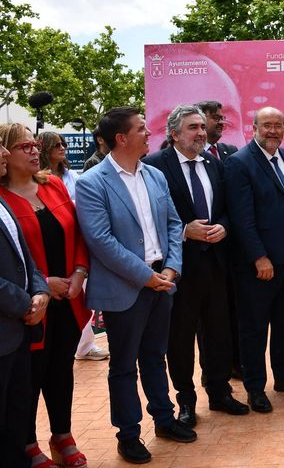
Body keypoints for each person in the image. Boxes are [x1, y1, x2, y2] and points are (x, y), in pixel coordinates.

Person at [76, 106, 193, 464]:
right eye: (141, 128)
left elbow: (174, 224)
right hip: (127, 287)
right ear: (121, 138)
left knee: (156, 357)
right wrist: (145, 276)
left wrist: (171, 268)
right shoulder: (92, 182)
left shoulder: (154, 175)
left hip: (162, 281)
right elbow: (100, 240)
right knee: (124, 366)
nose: (149, 133)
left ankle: (164, 419)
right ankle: (128, 434)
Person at [142, 105, 249, 427]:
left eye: (203, 127)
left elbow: (229, 209)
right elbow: (149, 217)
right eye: (193, 127)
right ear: (174, 133)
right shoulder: (153, 167)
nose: (201, 133)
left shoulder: (216, 165)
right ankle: (185, 401)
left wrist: (225, 228)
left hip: (217, 266)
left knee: (218, 333)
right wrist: (182, 230)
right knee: (180, 338)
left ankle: (219, 393)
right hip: (178, 268)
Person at [1, 125, 85, 468]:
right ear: (7, 152)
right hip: (32, 306)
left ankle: (62, 434)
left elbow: (79, 233)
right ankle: (28, 442)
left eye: (37, 145)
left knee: (61, 371)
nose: (36, 151)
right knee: (30, 376)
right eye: (25, 146)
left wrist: (80, 273)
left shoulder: (54, 185)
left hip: (69, 298)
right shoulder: (3, 199)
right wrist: (42, 284)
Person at [224, 107, 284, 414]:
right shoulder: (239, 163)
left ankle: (283, 377)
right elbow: (242, 217)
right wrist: (259, 256)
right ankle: (255, 388)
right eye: (267, 125)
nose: (273, 130)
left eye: (278, 125)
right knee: (254, 329)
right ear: (254, 128)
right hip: (260, 267)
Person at [0, 132, 50, 468]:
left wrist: (40, 290)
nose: (4, 152)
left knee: (17, 415)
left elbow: (23, 256)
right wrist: (25, 302)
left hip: (17, 330)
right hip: (8, 324)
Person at [38, 131, 110, 363]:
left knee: (80, 296)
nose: (62, 148)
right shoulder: (39, 181)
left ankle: (85, 345)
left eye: (64, 144)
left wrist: (80, 269)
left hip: (76, 245)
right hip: (51, 257)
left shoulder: (69, 175)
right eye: (56, 145)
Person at [195, 100, 242, 380]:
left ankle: (236, 364)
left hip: (232, 250)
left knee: (234, 312)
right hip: (202, 253)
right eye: (214, 118)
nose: (220, 122)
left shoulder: (230, 153)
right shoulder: (178, 158)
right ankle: (212, 372)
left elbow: (234, 202)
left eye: (222, 117)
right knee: (208, 320)